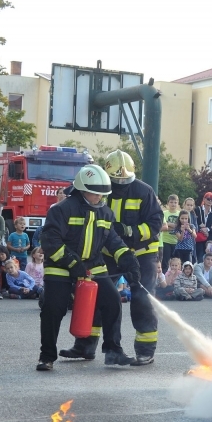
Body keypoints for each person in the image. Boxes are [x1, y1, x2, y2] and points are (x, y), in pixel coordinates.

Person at [59, 150, 163, 367]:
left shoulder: (144, 191)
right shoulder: (101, 189)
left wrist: (128, 231)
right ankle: (85, 345)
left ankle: (145, 350)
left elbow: (154, 225)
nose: (120, 184)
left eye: (125, 180)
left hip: (141, 253)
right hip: (107, 252)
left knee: (142, 300)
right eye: (116, 180)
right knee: (94, 297)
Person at [37, 164, 141, 371]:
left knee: (112, 302)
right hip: (60, 267)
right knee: (53, 309)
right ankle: (46, 356)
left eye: (103, 195)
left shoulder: (105, 213)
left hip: (94, 266)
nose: (100, 199)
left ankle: (114, 352)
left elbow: (114, 242)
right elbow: (51, 242)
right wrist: (73, 264)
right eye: (96, 194)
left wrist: (129, 261)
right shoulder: (61, 210)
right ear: (82, 190)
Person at [160, 194, 181, 272]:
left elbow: (180, 227)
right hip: (166, 241)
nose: (173, 204)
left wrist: (168, 224)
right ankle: (166, 279)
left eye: (175, 202)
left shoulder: (180, 214)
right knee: (165, 262)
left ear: (178, 203)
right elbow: (163, 227)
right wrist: (171, 225)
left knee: (177, 263)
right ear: (168, 203)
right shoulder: (164, 213)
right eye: (171, 202)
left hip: (177, 242)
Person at [194, 192, 212, 263]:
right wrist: (202, 229)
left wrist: (207, 229)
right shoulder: (197, 210)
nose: (210, 201)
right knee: (200, 258)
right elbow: (195, 222)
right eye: (208, 199)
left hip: (209, 238)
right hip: (199, 237)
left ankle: (208, 273)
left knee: (210, 258)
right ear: (204, 199)